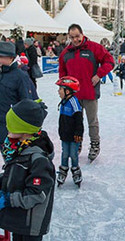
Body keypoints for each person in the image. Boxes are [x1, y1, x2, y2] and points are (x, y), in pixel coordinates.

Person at [0, 99, 55, 241]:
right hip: (18, 219)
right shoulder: (19, 149)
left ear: (23, 130)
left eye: (11, 126)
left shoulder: (39, 160)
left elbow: (37, 194)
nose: (7, 129)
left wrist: (8, 199)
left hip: (31, 224)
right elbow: (14, 174)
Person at [59, 23, 114, 162]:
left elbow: (110, 61)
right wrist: (63, 88)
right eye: (72, 37)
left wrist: (99, 75)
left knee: (92, 121)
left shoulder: (94, 48)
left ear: (82, 34)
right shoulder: (66, 53)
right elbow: (62, 73)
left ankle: (95, 144)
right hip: (73, 96)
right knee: (75, 122)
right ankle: (78, 143)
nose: (75, 40)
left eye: (77, 36)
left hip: (90, 93)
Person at [0, 41, 33, 146]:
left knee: (11, 158)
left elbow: (26, 102)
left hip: (11, 126)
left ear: (10, 58)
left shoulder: (20, 76)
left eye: (0, 56)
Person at [55, 76, 84, 187]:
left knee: (73, 154)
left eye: (60, 89)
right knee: (65, 154)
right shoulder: (63, 102)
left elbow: (79, 120)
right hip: (65, 135)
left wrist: (78, 133)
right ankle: (63, 170)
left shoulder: (74, 102)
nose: (58, 92)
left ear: (68, 91)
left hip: (74, 136)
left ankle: (76, 170)